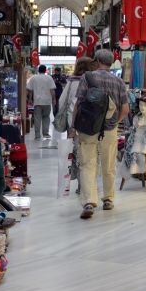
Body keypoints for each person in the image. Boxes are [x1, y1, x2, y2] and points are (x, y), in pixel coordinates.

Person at [72, 49, 130, 220]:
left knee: (88, 164)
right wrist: (114, 122)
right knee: (109, 164)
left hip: (88, 128)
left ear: (96, 61)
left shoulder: (88, 77)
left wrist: (73, 126)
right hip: (109, 130)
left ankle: (89, 202)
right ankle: (108, 199)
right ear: (111, 63)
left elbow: (79, 103)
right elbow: (125, 109)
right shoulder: (118, 81)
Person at [57, 57, 94, 198]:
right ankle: (87, 184)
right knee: (88, 154)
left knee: (76, 154)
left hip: (73, 123)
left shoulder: (72, 82)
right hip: (91, 124)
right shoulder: (93, 81)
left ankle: (80, 183)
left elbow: (62, 101)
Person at [26, 65, 56, 140]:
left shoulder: (34, 78)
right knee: (46, 117)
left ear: (38, 70)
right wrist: (54, 99)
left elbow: (30, 90)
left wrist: (30, 99)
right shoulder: (49, 78)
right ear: (45, 70)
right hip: (47, 101)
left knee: (37, 118)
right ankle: (45, 133)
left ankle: (37, 135)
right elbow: (52, 90)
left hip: (37, 101)